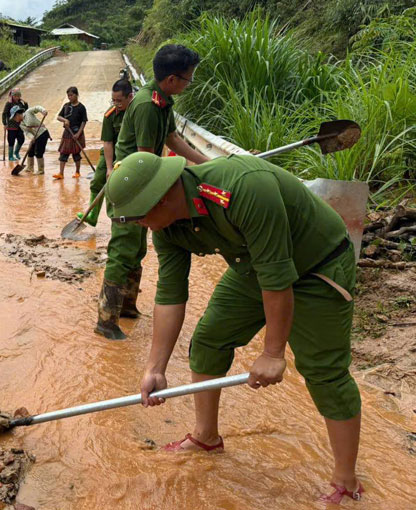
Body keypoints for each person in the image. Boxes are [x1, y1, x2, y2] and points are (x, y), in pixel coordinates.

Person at [105, 150, 364, 505]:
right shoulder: (167, 225)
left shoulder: (244, 189)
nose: (139, 225)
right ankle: (205, 436)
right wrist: (155, 367)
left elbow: (278, 277)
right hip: (253, 266)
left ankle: (346, 481)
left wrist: (273, 352)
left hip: (317, 266)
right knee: (210, 340)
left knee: (324, 370)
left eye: (139, 218)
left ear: (162, 197)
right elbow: (170, 293)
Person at [97, 44, 208, 340]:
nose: (189, 83)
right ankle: (106, 319)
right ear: (172, 79)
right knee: (123, 250)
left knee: (138, 248)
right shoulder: (147, 106)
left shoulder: (162, 101)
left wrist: (208, 163)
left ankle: (128, 306)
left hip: (143, 184)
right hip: (132, 188)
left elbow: (172, 139)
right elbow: (146, 160)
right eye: (188, 78)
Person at [76, 79, 133, 225]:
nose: (116, 104)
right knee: (97, 181)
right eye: (113, 100)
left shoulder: (137, 112)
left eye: (119, 101)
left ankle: (128, 219)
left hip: (131, 154)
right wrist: (108, 168)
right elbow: (107, 142)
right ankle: (93, 216)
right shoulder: (110, 115)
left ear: (130, 97)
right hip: (111, 152)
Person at [54, 86, 87, 179]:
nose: (69, 97)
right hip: (67, 133)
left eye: (71, 95)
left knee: (76, 154)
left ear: (76, 95)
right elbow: (58, 117)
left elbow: (84, 122)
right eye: (68, 96)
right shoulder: (66, 106)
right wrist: (65, 120)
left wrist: (78, 134)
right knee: (63, 153)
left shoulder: (81, 107)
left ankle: (77, 172)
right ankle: (61, 173)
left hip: (77, 133)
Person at [12, 105, 49, 175]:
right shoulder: (21, 124)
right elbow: (27, 132)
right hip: (35, 137)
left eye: (14, 117)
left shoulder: (28, 112)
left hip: (42, 133)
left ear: (17, 114)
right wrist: (32, 137)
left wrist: (43, 111)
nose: (14, 119)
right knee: (30, 151)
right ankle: (30, 168)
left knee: (38, 152)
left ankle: (41, 170)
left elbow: (37, 107)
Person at [2, 88, 28, 161]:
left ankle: (16, 152)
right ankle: (10, 156)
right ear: (12, 96)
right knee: (11, 141)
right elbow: (4, 114)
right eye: (15, 96)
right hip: (11, 125)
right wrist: (4, 123)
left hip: (19, 125)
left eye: (18, 96)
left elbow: (25, 111)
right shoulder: (9, 103)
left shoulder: (20, 103)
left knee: (21, 139)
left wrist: (25, 104)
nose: (17, 97)